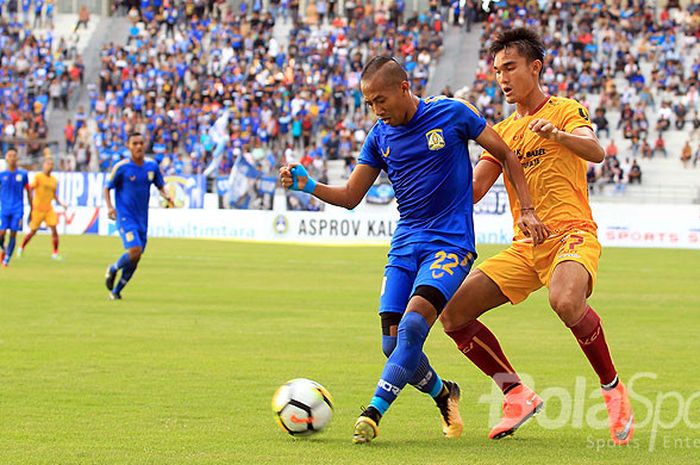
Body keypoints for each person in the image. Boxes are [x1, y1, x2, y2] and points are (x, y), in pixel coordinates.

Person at [279, 56, 546, 444]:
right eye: (369, 103)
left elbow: (506, 153)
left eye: (380, 100)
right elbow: (352, 196)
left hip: (450, 244)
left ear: (404, 88)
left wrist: (528, 210)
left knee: (413, 327)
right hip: (405, 246)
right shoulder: (379, 137)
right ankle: (444, 393)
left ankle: (373, 412)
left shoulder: (452, 114)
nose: (376, 110)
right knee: (392, 346)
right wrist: (309, 186)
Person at [440, 28, 635, 446]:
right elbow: (473, 190)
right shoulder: (503, 132)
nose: (502, 78)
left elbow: (595, 151)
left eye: (510, 68)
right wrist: (445, 155)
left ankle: (613, 389)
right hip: (526, 247)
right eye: (496, 71)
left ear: (535, 67)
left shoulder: (565, 110)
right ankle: (516, 394)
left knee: (565, 300)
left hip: (571, 235)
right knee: (452, 314)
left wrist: (559, 136)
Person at [103, 132, 173, 300]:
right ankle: (113, 268)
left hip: (142, 219)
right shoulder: (122, 167)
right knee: (134, 251)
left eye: (141, 143)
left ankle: (116, 292)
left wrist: (167, 195)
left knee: (136, 258)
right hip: (126, 217)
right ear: (128, 146)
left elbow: (160, 185)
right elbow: (107, 187)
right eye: (134, 143)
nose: (139, 146)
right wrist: (111, 208)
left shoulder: (151, 166)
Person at [18, 157, 66, 259]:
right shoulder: (38, 177)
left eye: (52, 164)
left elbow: (54, 195)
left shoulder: (54, 180)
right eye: (48, 164)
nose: (50, 166)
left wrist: (61, 204)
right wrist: (30, 201)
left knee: (54, 229)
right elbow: (30, 188)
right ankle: (21, 247)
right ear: (44, 165)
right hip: (38, 209)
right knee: (33, 231)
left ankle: (55, 253)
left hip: (49, 209)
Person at [0, 148, 32, 267]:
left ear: (17, 158)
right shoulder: (1, 175)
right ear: (6, 158)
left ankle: (6, 259)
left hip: (18, 209)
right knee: (1, 233)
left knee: (13, 233)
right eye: (10, 155)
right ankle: (3, 248)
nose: (12, 158)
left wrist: (32, 207)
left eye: (14, 155)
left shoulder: (23, 174)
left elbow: (28, 191)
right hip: (4, 209)